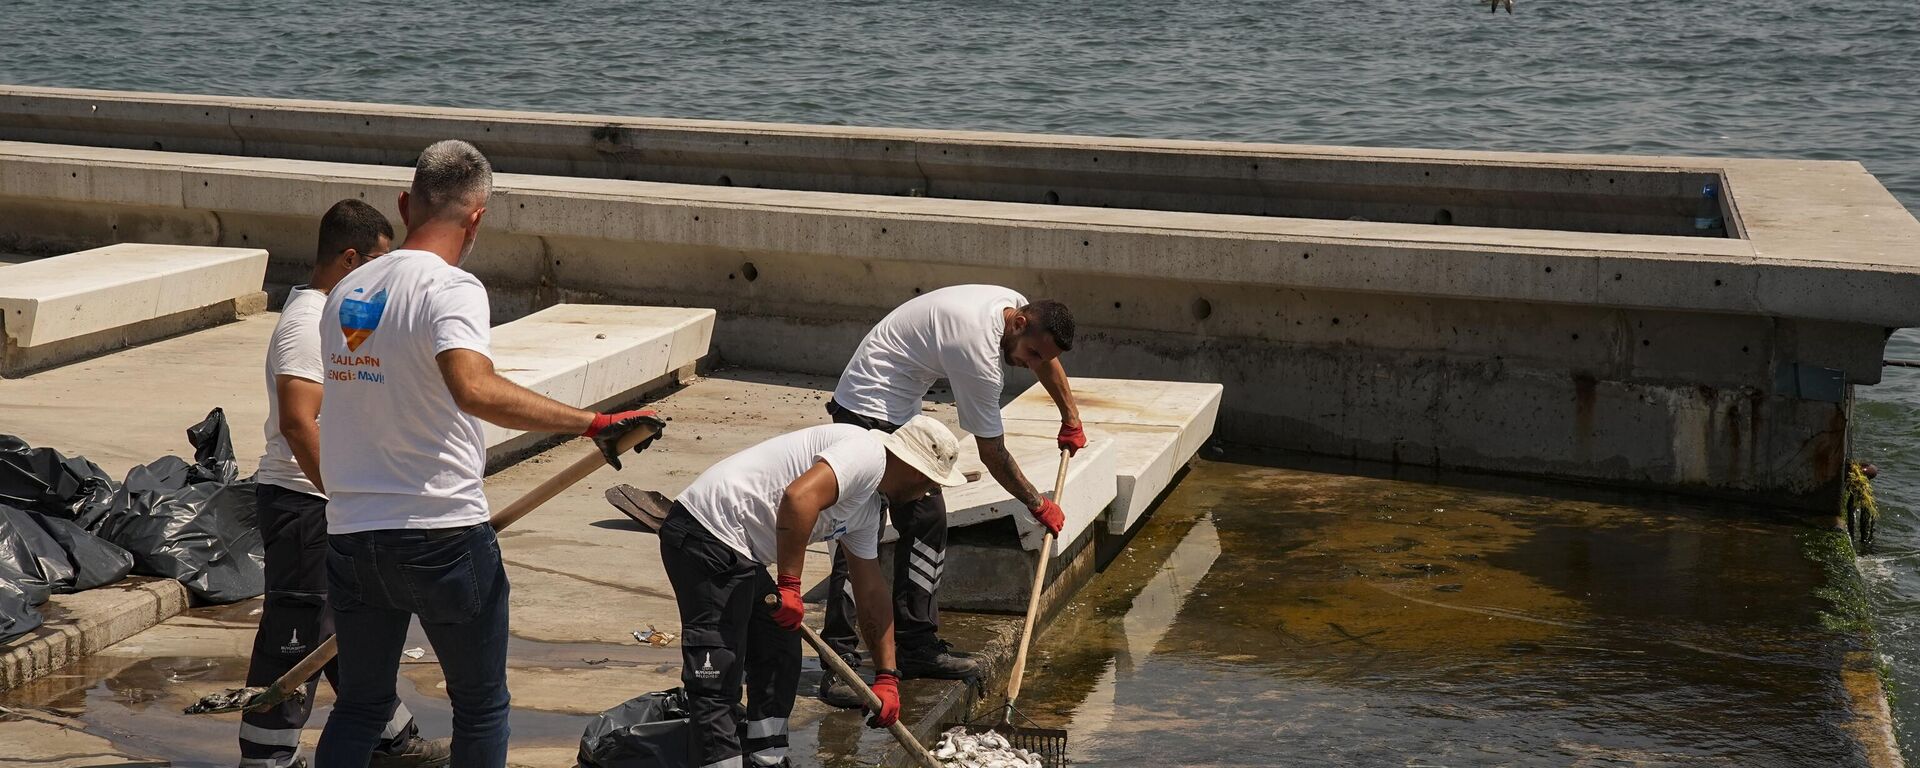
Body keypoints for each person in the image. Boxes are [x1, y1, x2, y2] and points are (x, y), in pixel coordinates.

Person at [314, 140, 662, 768]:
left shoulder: (345, 291)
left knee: (361, 705)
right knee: (480, 705)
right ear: (477, 218)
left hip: (351, 533)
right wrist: (594, 423)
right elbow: (472, 387)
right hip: (439, 534)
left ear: (404, 203)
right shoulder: (453, 288)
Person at [240, 200, 449, 768]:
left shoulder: (338, 316)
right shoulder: (307, 324)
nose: (384, 276)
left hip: (330, 500)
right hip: (305, 502)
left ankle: (392, 737)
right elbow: (297, 421)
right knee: (298, 631)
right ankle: (266, 756)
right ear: (349, 257)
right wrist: (342, 496)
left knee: (350, 629)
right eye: (378, 261)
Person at [817, 284, 1081, 707]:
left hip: (900, 410)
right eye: (1030, 354)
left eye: (1038, 357)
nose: (1030, 364)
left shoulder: (1013, 308)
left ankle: (916, 645)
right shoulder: (977, 354)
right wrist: (1037, 504)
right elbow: (992, 452)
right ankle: (840, 663)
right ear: (1018, 324)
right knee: (858, 532)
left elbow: (1047, 360)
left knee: (927, 519)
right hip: (864, 408)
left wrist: (1070, 415)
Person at [660, 416, 967, 768]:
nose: (926, 494)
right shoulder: (866, 454)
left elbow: (870, 591)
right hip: (706, 531)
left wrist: (887, 675)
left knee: (779, 653)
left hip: (743, 553)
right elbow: (798, 497)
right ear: (917, 473)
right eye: (930, 485)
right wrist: (790, 586)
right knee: (716, 669)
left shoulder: (867, 508)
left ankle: (767, 758)